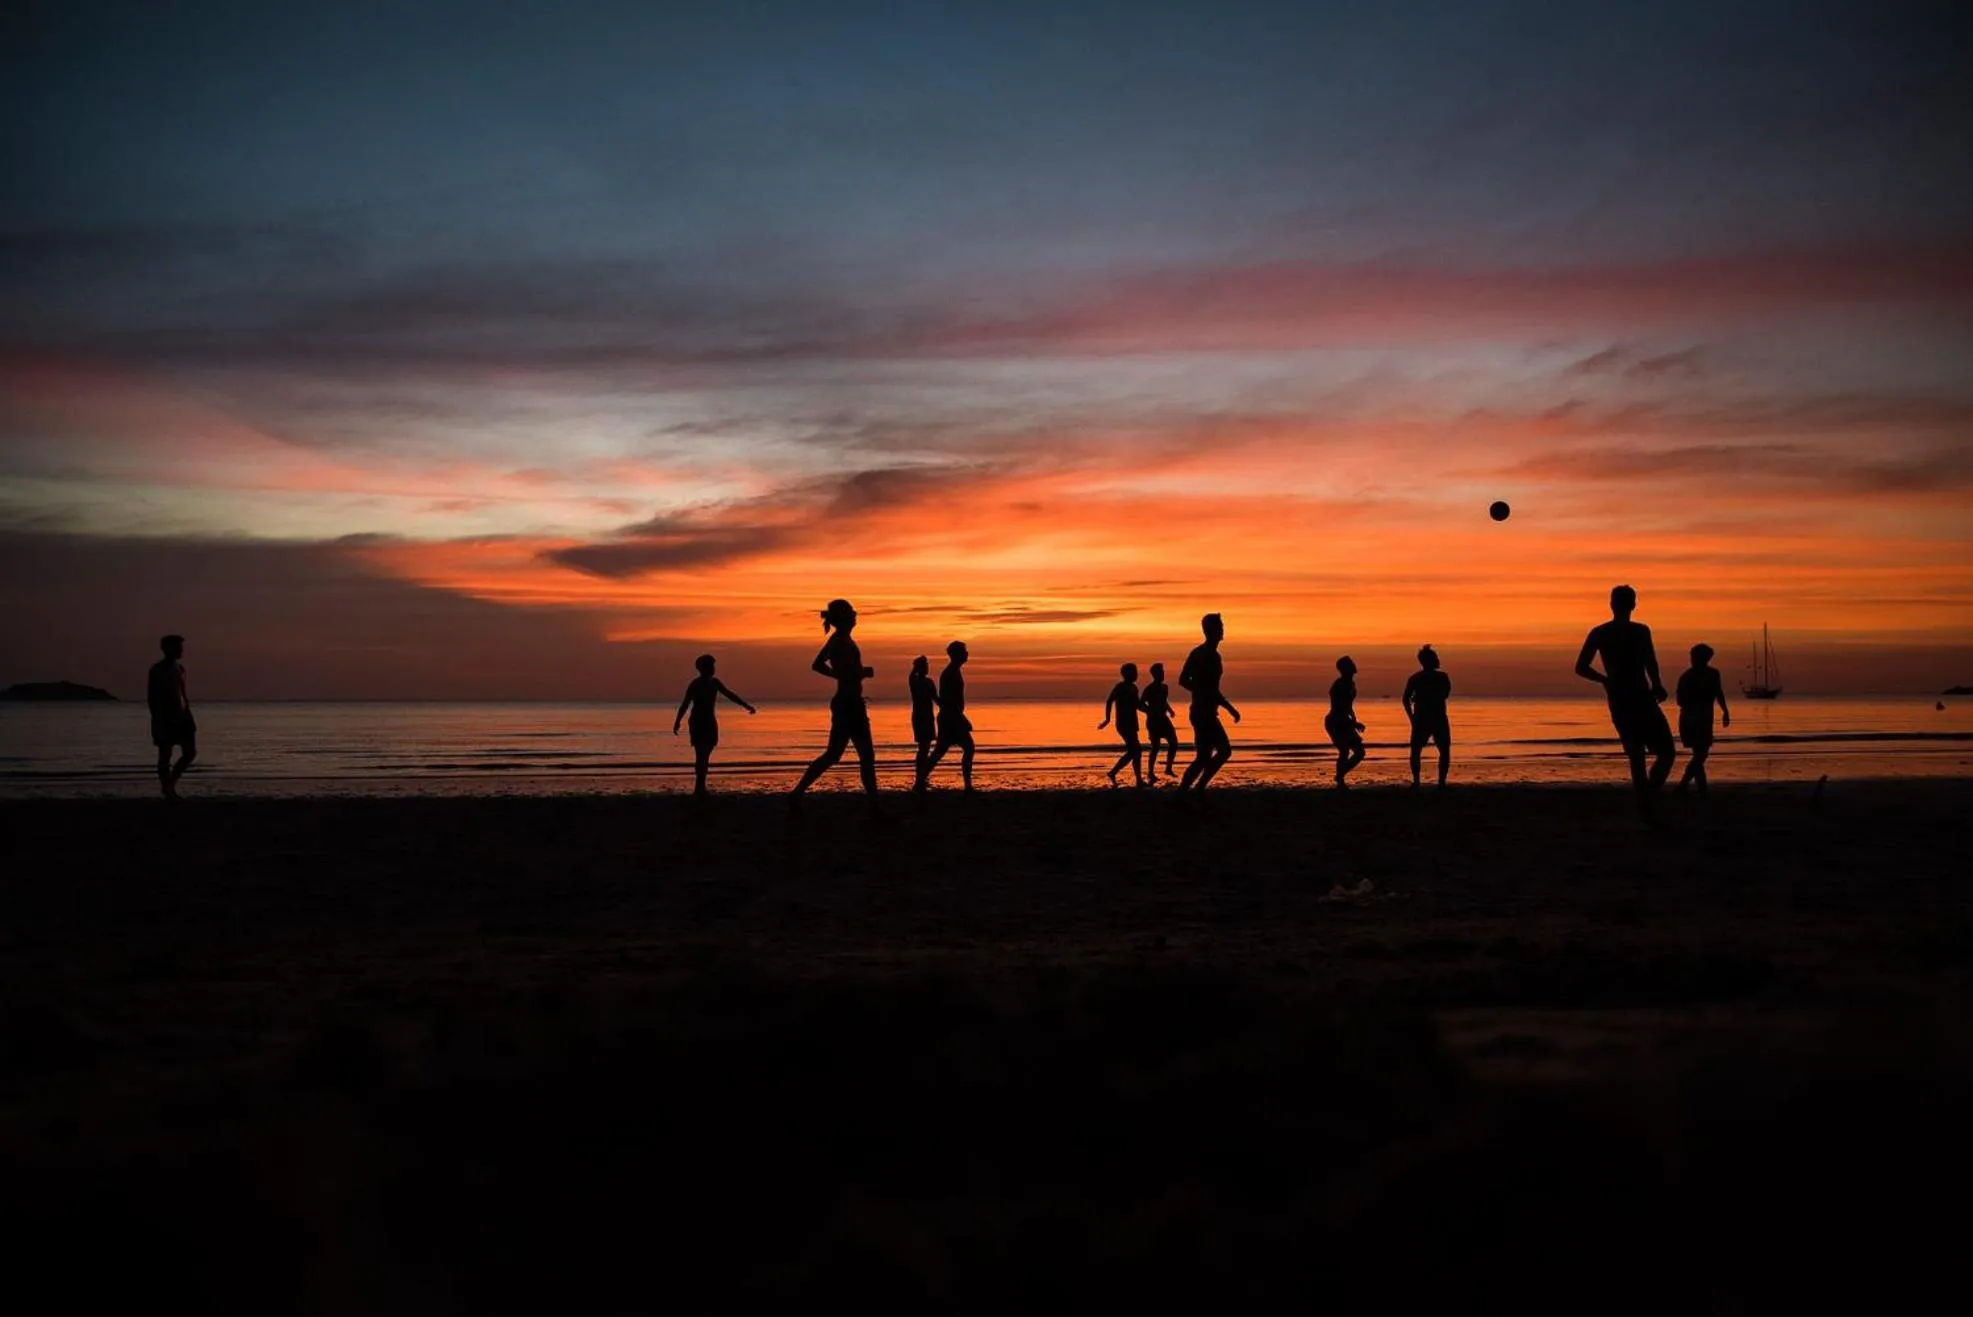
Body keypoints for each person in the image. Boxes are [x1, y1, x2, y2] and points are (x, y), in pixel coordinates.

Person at [1575, 584, 1677, 797]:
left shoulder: (1628, 631)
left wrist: (1656, 684)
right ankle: (1647, 793)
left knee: (1644, 753)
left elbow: (1650, 661)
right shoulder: (1609, 632)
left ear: (1612, 604)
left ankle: (1647, 791)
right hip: (1631, 696)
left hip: (1634, 696)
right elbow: (1581, 667)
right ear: (1633, 604)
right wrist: (1605, 680)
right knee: (1655, 752)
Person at [791, 599, 879, 805]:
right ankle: (875, 806)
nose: (856, 615)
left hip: (847, 702)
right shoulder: (840, 641)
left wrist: (840, 675)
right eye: (852, 612)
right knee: (864, 755)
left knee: (835, 754)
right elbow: (843, 670)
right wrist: (862, 672)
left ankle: (797, 793)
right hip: (849, 704)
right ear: (846, 618)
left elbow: (818, 665)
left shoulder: (838, 639)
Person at [673, 654, 755, 796]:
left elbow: (730, 694)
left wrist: (746, 706)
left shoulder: (715, 682)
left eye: (712, 666)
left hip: (710, 721)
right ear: (701, 668)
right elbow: (685, 703)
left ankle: (701, 785)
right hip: (698, 721)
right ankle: (699, 788)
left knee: (706, 752)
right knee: (701, 753)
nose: (712, 669)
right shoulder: (695, 684)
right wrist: (677, 721)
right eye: (709, 666)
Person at [1178, 614, 1241, 792]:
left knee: (1204, 756)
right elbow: (1210, 689)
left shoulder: (1197, 652)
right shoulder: (1211, 656)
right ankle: (1194, 790)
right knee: (1223, 751)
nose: (1222, 629)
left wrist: (1199, 691)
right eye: (1219, 626)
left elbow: (1184, 681)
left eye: (1222, 625)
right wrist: (1229, 708)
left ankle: (1187, 792)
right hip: (1204, 712)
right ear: (1210, 630)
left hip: (1199, 711)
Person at [919, 640, 975, 791]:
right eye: (964, 651)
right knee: (967, 748)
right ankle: (967, 785)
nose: (967, 654)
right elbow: (949, 701)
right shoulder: (949, 673)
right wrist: (961, 719)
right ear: (957, 655)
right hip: (951, 718)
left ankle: (920, 780)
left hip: (951, 717)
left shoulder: (954, 671)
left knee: (940, 752)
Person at [146, 633, 197, 801]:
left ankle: (170, 784)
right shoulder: (157, 670)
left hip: (182, 717)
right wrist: (157, 719)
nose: (181, 650)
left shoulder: (180, 669)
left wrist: (188, 715)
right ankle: (167, 789)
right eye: (178, 647)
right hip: (165, 717)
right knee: (165, 754)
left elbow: (183, 694)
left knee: (190, 753)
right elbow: (152, 697)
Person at [1675, 643, 1731, 792]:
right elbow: (1680, 700)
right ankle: (1685, 785)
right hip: (1693, 718)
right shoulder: (1688, 676)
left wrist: (1725, 711)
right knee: (1701, 754)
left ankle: (1700, 787)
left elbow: (1718, 693)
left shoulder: (1710, 674)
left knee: (1700, 754)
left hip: (1702, 718)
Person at [1401, 645, 1452, 788]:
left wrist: (1412, 716)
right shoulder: (1442, 677)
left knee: (1416, 750)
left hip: (1422, 718)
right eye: (1436, 657)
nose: (1438, 659)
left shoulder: (1415, 678)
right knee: (1444, 750)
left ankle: (1417, 781)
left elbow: (1405, 699)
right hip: (1437, 717)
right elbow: (1445, 694)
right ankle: (1441, 782)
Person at [1098, 662, 1145, 786]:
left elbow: (1138, 705)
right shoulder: (1120, 687)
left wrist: (1150, 710)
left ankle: (1132, 777)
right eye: (1133, 673)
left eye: (1136, 673)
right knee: (1135, 751)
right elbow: (1109, 701)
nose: (1136, 675)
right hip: (1123, 723)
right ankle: (1118, 773)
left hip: (1132, 722)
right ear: (1125, 674)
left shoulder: (1134, 688)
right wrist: (1107, 719)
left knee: (1135, 751)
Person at [1326, 656, 1366, 789]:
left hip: (1345, 720)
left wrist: (1354, 719)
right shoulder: (1341, 684)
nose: (1354, 665)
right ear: (1344, 669)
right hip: (1336, 721)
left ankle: (1340, 775)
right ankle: (1340, 779)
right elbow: (1339, 706)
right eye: (1350, 664)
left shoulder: (1350, 683)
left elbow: (1348, 705)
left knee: (1359, 752)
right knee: (1344, 751)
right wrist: (1353, 723)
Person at [1142, 662, 1180, 782]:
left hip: (1164, 719)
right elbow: (1140, 703)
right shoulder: (1149, 688)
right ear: (1154, 674)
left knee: (1174, 743)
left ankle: (1168, 768)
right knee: (1155, 747)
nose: (1163, 674)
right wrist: (1149, 711)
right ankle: (1150, 772)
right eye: (1160, 672)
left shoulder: (1165, 687)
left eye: (1163, 671)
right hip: (1153, 721)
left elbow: (1164, 701)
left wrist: (1170, 710)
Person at [908, 656, 938, 784]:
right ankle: (920, 774)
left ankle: (922, 773)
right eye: (924, 665)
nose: (927, 668)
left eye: (927, 665)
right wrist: (917, 665)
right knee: (923, 747)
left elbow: (935, 698)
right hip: (919, 717)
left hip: (928, 716)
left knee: (926, 746)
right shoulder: (914, 681)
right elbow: (912, 674)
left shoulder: (929, 682)